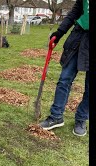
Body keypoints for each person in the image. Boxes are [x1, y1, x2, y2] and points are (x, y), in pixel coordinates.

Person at [39, 0, 89, 136]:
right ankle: (56, 116)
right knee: (64, 79)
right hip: (78, 36)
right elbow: (75, 12)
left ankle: (81, 118)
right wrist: (60, 32)